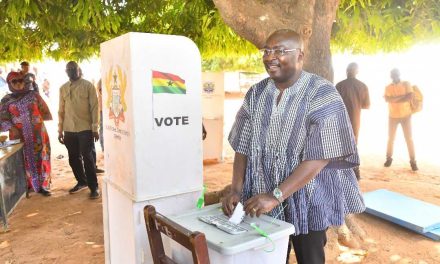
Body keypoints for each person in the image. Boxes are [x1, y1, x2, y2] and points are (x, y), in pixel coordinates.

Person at [222, 29, 365, 264]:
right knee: (269, 255)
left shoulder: (322, 93)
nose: (270, 57)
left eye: (279, 51)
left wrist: (276, 195)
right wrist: (236, 189)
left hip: (309, 199)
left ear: (300, 56)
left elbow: (319, 157)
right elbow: (242, 145)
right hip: (260, 195)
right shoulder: (256, 93)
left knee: (310, 258)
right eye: (267, 51)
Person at [0, 71, 52, 196]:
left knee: (40, 157)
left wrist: (34, 122)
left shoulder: (34, 95)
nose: (18, 84)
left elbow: (44, 111)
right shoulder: (6, 100)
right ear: (9, 83)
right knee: (22, 160)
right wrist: (12, 127)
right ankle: (26, 186)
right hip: (19, 136)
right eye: (14, 81)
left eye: (21, 80)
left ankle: (42, 186)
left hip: (38, 135)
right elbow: (2, 119)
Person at [58, 61, 100, 199]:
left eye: (74, 69)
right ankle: (81, 182)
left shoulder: (88, 86)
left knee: (87, 158)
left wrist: (95, 128)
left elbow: (94, 108)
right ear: (65, 72)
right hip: (69, 129)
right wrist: (60, 130)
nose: (71, 71)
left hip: (85, 128)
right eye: (69, 69)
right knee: (73, 158)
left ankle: (94, 187)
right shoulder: (63, 88)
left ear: (79, 70)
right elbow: (61, 111)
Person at [336, 62, 370, 179]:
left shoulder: (339, 85)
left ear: (347, 71)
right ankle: (355, 170)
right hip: (355, 118)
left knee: (341, 144)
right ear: (357, 72)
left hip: (340, 119)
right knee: (354, 143)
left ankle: (342, 171)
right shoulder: (362, 86)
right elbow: (366, 105)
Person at [383, 68, 418, 171]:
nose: (394, 75)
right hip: (392, 116)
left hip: (406, 116)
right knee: (391, 138)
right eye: (392, 74)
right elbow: (387, 99)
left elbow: (409, 97)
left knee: (409, 139)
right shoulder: (388, 87)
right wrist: (402, 97)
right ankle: (388, 158)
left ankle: (413, 162)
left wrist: (394, 99)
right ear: (390, 76)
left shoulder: (406, 84)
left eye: (396, 73)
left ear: (399, 74)